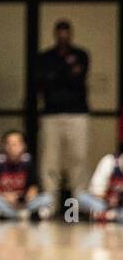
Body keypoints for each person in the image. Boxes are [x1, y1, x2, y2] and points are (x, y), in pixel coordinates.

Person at [34, 20, 90, 206]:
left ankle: (76, 204)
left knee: (78, 158)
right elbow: (43, 82)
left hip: (77, 114)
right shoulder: (45, 57)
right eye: (60, 33)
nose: (63, 37)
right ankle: (50, 202)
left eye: (66, 33)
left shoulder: (80, 55)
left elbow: (77, 78)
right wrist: (64, 73)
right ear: (55, 34)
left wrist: (59, 75)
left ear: (71, 34)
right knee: (50, 158)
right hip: (51, 113)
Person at [0, 131, 52, 220]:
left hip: (23, 202)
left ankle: (7, 214)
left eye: (15, 144)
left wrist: (28, 196)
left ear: (23, 146)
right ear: (3, 146)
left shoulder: (28, 161)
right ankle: (19, 215)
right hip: (4, 200)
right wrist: (5, 196)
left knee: (47, 198)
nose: (11, 148)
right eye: (8, 144)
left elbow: (34, 186)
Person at [79, 145, 123, 222]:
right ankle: (109, 215)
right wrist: (109, 199)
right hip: (104, 203)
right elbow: (96, 191)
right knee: (81, 197)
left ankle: (108, 215)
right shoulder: (109, 161)